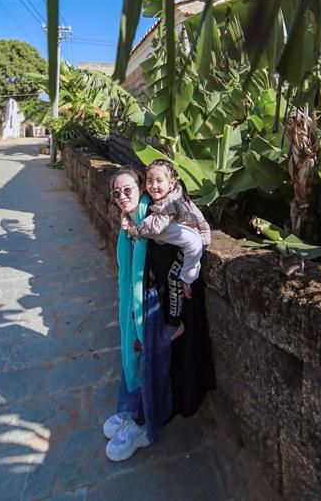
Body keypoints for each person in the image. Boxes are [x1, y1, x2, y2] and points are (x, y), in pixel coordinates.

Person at [103, 166, 215, 462]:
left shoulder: (154, 218)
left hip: (162, 298)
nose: (122, 196)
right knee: (137, 354)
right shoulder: (135, 216)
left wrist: (189, 278)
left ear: (140, 189)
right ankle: (131, 411)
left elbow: (192, 243)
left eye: (128, 189)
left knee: (150, 360)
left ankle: (143, 424)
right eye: (117, 193)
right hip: (153, 296)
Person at [138, 160, 211, 340]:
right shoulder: (174, 195)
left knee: (174, 278)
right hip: (191, 241)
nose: (153, 186)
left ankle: (175, 323)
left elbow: (154, 229)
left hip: (198, 243)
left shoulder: (170, 204)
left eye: (159, 181)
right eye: (149, 180)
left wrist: (188, 277)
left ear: (171, 184)